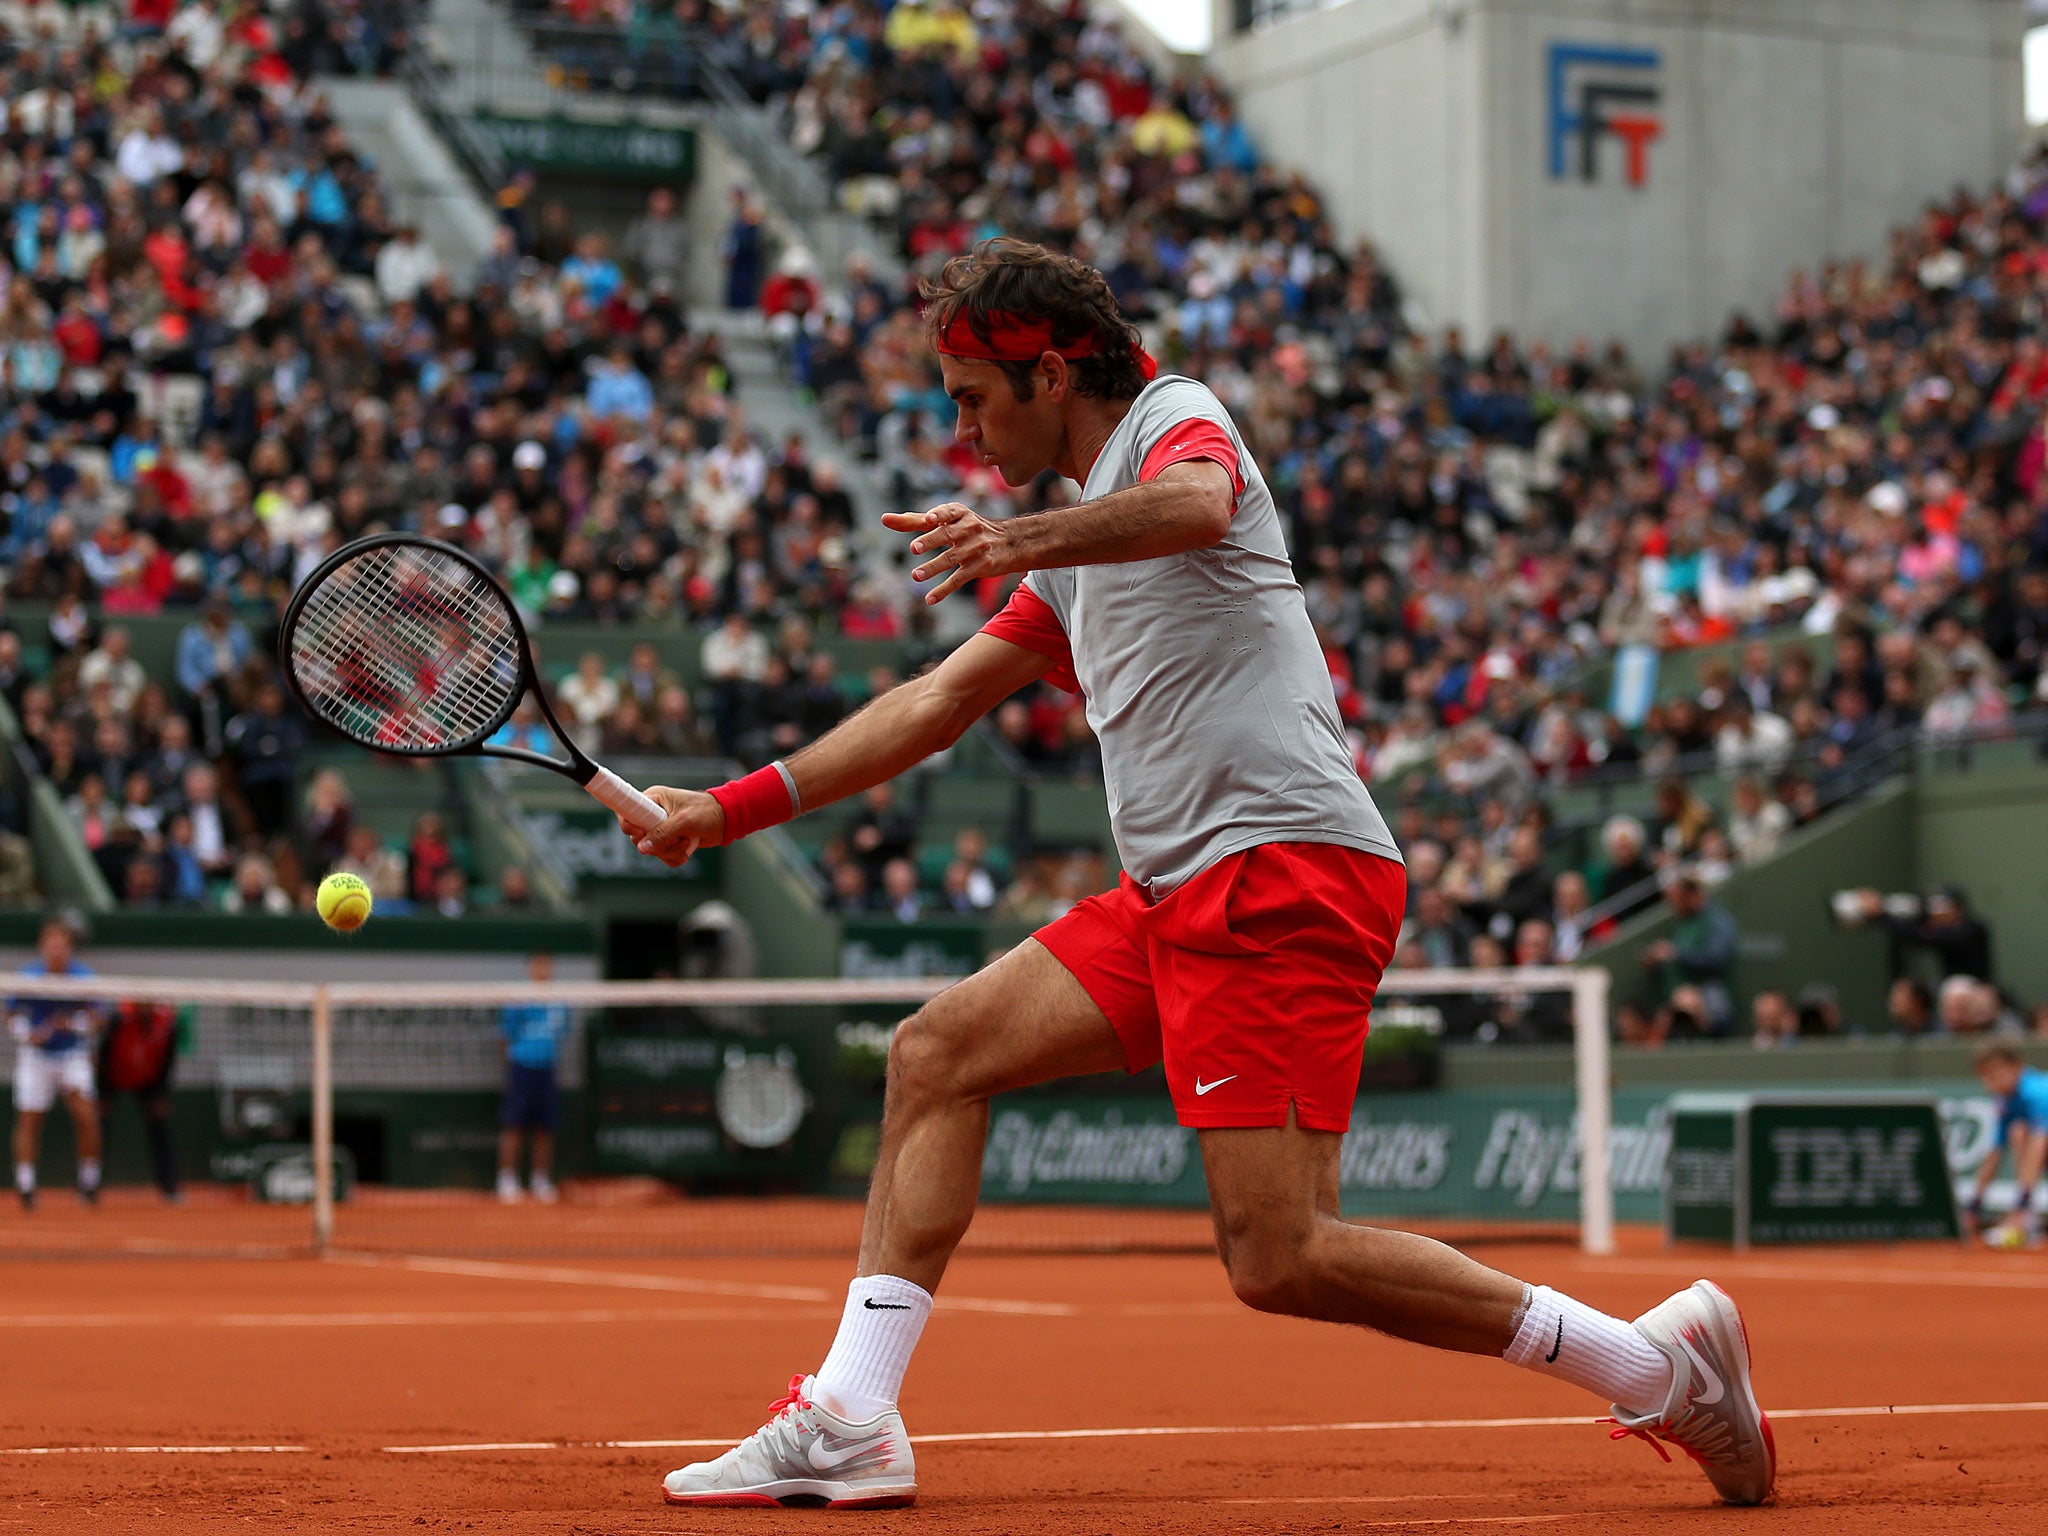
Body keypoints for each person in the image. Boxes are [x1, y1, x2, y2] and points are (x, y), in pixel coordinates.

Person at [625, 239, 1773, 1510]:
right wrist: (723, 812)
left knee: (1278, 1257)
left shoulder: (1177, 420)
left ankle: (1654, 1370)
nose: (960, 431)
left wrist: (1018, 537)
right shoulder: (1065, 547)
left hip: (1283, 877)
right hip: (1178, 893)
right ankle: (850, 1413)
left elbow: (1195, 509)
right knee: (934, 1055)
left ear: (1050, 371)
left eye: (969, 398)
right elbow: (939, 698)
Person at [8, 915, 105, 1208]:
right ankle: (25, 1186)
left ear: (70, 948)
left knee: (87, 1117)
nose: (56, 950)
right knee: (29, 1118)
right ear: (42, 947)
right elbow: (10, 1013)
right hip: (35, 1057)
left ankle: (89, 1184)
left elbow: (98, 1019)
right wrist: (27, 1034)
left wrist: (73, 1024)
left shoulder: (84, 978)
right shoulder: (27, 977)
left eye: (61, 945)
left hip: (72, 1055)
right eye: (51, 945)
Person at [497, 953, 569, 1204]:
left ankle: (540, 1180)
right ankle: (507, 1180)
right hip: (521, 1069)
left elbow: (561, 1034)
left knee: (545, 1128)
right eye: (538, 964)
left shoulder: (560, 1002)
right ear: (530, 968)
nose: (543, 969)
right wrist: (512, 1065)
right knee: (514, 1125)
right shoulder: (518, 1000)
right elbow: (505, 1037)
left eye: (547, 964)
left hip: (547, 1069)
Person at [1963, 1042, 2047, 1247]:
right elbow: (1994, 1154)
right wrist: (1974, 1205)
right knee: (2017, 1131)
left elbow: (2039, 1143)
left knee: (2020, 1133)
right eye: (1985, 1077)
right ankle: (2027, 1217)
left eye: (1994, 1074)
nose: (1989, 1083)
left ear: (2016, 1066)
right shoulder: (2006, 1101)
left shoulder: (2039, 1092)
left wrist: (2021, 1206)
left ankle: (2026, 1215)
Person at [98, 995, 182, 1200]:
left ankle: (169, 1189)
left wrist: (160, 1092)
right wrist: (102, 1092)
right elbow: (104, 1053)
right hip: (114, 1078)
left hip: (148, 1082)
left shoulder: (167, 1025)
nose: (144, 1006)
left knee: (160, 1129)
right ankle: (90, 1187)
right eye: (140, 1001)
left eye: (149, 1001)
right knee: (98, 1130)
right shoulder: (118, 1021)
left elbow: (168, 1060)